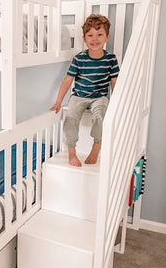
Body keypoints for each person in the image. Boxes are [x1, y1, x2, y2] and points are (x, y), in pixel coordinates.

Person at [50, 14, 119, 166]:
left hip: (99, 97)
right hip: (79, 96)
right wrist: (58, 101)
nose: (95, 39)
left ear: (107, 36)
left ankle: (97, 146)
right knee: (71, 119)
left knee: (100, 116)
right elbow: (68, 80)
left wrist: (116, 105)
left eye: (99, 34)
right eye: (90, 35)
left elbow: (114, 82)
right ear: (84, 38)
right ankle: (72, 153)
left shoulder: (111, 59)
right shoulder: (79, 58)